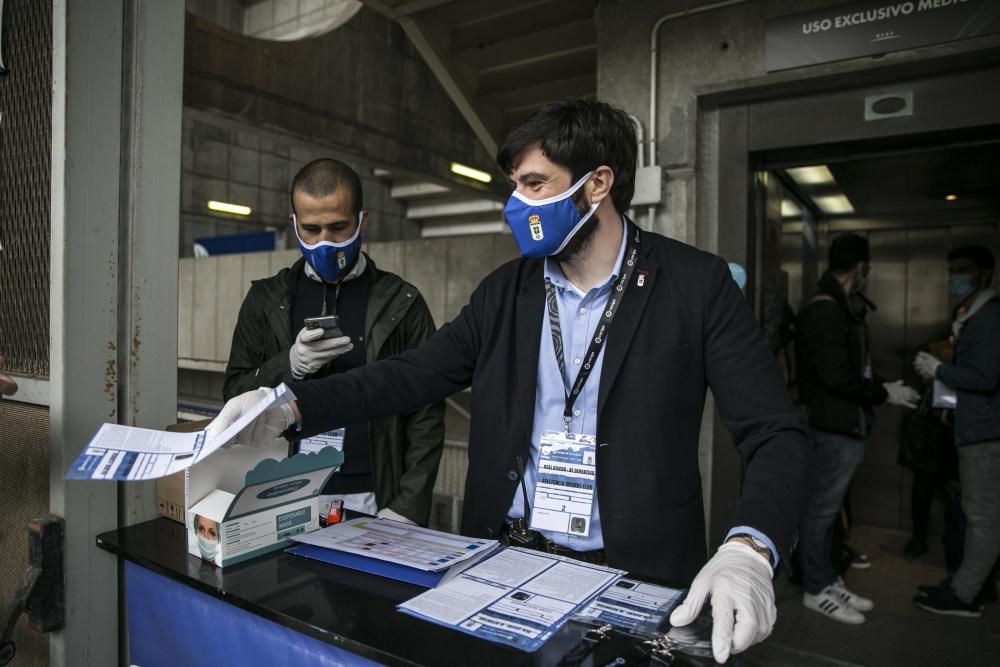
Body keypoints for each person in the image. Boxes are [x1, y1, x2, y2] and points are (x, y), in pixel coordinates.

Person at [207, 98, 812, 663]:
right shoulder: (507, 291)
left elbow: (776, 432)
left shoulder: (695, 287)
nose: (516, 205)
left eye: (535, 184)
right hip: (502, 565)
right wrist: (289, 404)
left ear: (596, 184)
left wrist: (749, 547)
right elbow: (413, 374)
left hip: (634, 572)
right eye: (514, 186)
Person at [222, 158, 445, 526]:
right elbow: (234, 394)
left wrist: (406, 506)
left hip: (372, 493)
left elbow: (427, 412)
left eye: (339, 227)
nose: (325, 241)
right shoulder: (266, 300)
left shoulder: (401, 303)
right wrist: (288, 365)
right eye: (311, 229)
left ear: (362, 220)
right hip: (283, 489)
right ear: (293, 223)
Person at [794, 233, 920, 624]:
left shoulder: (839, 307)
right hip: (833, 426)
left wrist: (880, 389)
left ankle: (826, 577)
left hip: (844, 424)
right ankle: (815, 588)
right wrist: (882, 392)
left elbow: (848, 370)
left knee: (827, 513)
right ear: (860, 267)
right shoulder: (824, 309)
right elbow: (837, 376)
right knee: (820, 512)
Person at [913, 244, 1000, 617]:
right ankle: (972, 584)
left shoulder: (989, 318)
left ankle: (965, 595)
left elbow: (985, 376)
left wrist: (939, 370)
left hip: (984, 432)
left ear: (983, 274)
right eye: (952, 269)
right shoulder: (971, 315)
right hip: (975, 428)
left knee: (981, 517)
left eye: (963, 269)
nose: (956, 277)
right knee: (976, 513)